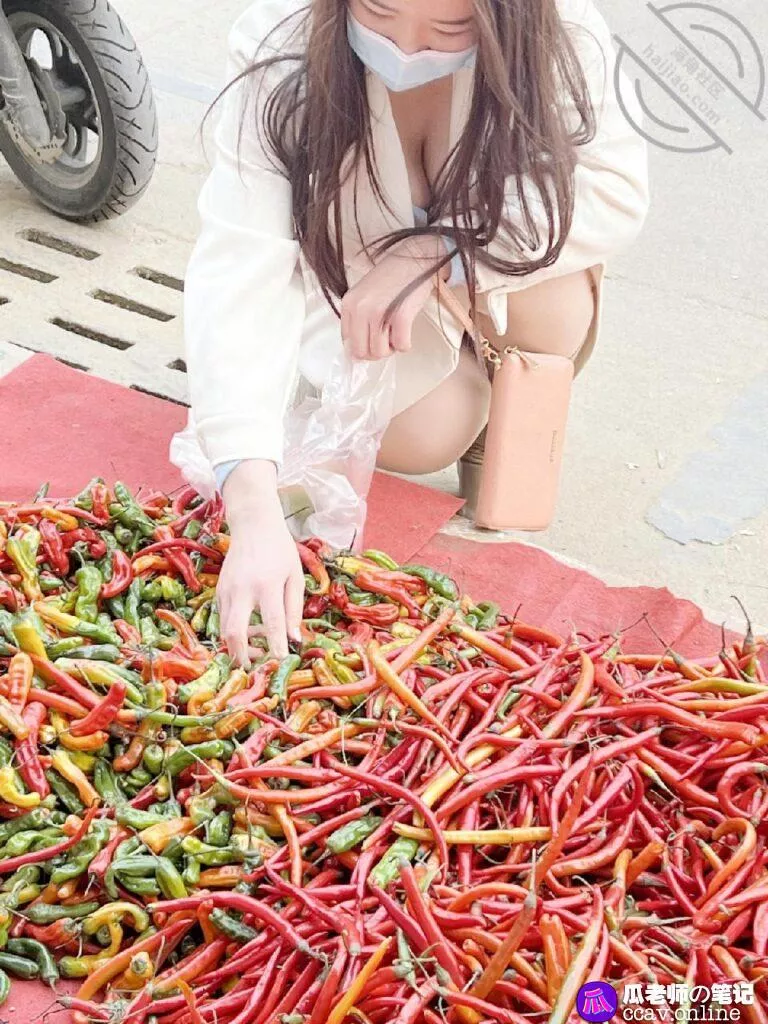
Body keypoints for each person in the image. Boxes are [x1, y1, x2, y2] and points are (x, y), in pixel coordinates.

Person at [174, 0, 650, 665]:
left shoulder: (560, 30)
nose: (405, 47)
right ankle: (471, 407)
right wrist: (251, 506)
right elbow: (242, 262)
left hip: (492, 270)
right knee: (422, 434)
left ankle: (503, 406)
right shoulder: (281, 35)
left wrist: (439, 249)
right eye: (378, 12)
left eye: (449, 29)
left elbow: (613, 190)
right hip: (361, 292)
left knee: (555, 312)